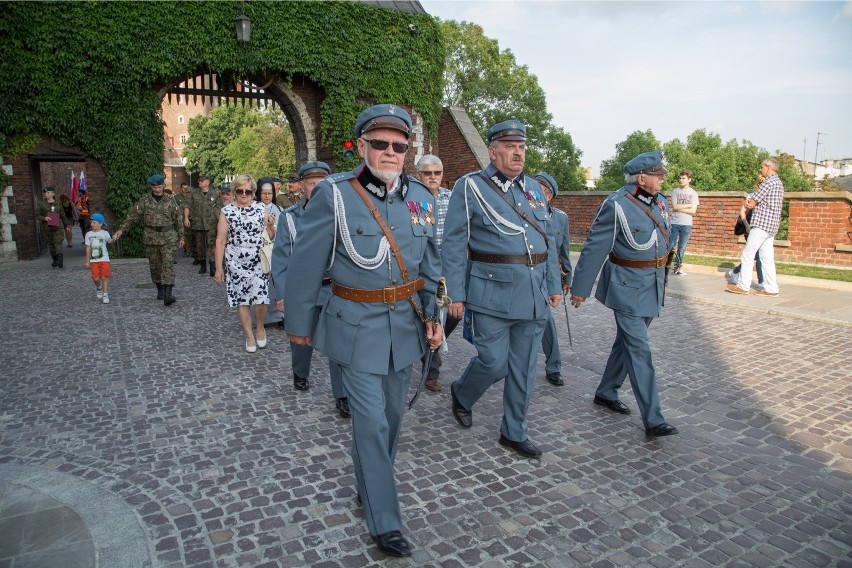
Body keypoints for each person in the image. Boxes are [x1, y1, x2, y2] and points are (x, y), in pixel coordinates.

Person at [283, 104, 442, 558]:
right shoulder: (334, 195)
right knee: (369, 422)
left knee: (391, 420)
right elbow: (305, 267)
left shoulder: (422, 200)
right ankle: (384, 519)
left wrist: (434, 315)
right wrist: (298, 326)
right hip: (354, 326)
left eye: (399, 145)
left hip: (406, 327)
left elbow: (430, 266)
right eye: (380, 144)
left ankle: (370, 486)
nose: (390, 152)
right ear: (361, 146)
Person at [442, 119, 562, 459]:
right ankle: (463, 394)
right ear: (493, 153)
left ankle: (514, 430)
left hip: (534, 293)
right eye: (510, 147)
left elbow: (547, 239)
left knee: (523, 367)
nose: (518, 153)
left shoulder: (535, 190)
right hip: (491, 292)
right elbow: (453, 244)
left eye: (522, 147)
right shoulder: (471, 187)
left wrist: (553, 282)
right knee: (495, 363)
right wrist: (456, 292)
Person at [569, 151, 679, 438]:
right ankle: (653, 418)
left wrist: (664, 279)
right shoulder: (617, 205)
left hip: (651, 285)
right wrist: (580, 289)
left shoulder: (661, 203)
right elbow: (595, 247)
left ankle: (606, 391)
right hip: (627, 288)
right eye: (658, 174)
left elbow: (665, 246)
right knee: (640, 350)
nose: (662, 177)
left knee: (626, 344)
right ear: (641, 178)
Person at [271, 160, 351, 418]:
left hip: (335, 290)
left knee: (339, 345)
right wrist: (283, 294)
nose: (316, 188)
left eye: (321, 183)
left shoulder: (343, 213)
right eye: (310, 183)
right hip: (304, 291)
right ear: (302, 186)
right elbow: (281, 259)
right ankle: (300, 372)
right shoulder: (290, 218)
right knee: (301, 340)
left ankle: (342, 395)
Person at [214, 174, 274, 353]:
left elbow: (271, 236)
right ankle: (249, 335)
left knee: (261, 299)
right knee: (242, 300)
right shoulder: (227, 212)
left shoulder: (260, 208)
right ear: (234, 191)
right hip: (235, 262)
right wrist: (219, 268)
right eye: (240, 190)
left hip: (258, 260)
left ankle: (261, 327)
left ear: (253, 192)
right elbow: (220, 241)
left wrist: (271, 226)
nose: (244, 194)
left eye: (248, 191)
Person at [415, 154, 455, 393]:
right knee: (429, 316)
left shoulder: (452, 199)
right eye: (427, 173)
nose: (432, 177)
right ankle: (430, 372)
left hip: (448, 268)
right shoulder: (411, 199)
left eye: (437, 173)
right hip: (421, 269)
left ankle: (436, 344)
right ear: (419, 174)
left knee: (454, 314)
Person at [112, 174, 184, 306]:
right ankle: (160, 289)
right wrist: (121, 230)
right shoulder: (144, 200)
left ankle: (168, 294)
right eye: (154, 187)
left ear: (164, 185)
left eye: (159, 186)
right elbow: (132, 217)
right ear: (151, 187)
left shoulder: (171, 200)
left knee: (168, 264)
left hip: (168, 237)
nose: (157, 189)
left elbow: (178, 220)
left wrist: (181, 237)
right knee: (155, 266)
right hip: (151, 238)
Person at [534, 171, 572, 386]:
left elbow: (563, 251)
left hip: (548, 278)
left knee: (547, 321)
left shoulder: (560, 218)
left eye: (539, 189)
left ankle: (553, 366)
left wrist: (566, 278)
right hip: (527, 274)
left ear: (548, 196)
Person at [725, 158, 784, 297]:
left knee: (748, 254)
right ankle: (771, 288)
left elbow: (752, 202)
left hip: (761, 224)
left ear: (769, 168)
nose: (761, 169)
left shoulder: (768, 182)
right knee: (767, 257)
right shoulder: (779, 183)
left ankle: (743, 286)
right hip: (772, 225)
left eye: (762, 167)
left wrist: (748, 203)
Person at [184, 174, 222, 275]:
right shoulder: (194, 193)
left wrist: (219, 221)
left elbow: (219, 208)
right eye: (199, 181)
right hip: (198, 224)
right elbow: (187, 205)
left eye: (202, 181)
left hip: (211, 224)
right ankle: (203, 266)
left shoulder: (215, 194)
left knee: (211, 246)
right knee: (200, 246)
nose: (199, 182)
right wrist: (186, 218)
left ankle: (212, 267)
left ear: (208, 182)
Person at [727, 197, 764, 285]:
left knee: (755, 255)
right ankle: (762, 281)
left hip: (760, 229)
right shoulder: (752, 196)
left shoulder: (765, 196)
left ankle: (735, 271)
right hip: (751, 229)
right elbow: (743, 212)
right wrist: (747, 226)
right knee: (758, 254)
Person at [669, 170, 699, 276]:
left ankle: (678, 267)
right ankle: (666, 265)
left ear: (689, 179)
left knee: (682, 247)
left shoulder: (693, 193)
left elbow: (693, 211)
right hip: (674, 222)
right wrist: (688, 206)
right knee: (671, 245)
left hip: (686, 223)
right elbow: (674, 206)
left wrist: (679, 208)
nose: (681, 180)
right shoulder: (675, 191)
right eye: (680, 178)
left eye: (683, 178)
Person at [37, 186, 70, 268]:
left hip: (58, 227)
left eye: (48, 193)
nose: (46, 194)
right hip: (47, 227)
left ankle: (60, 259)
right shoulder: (41, 204)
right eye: (45, 193)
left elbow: (63, 215)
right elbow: (37, 214)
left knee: (57, 243)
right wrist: (44, 218)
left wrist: (67, 226)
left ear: (53, 193)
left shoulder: (58, 204)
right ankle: (55, 259)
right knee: (51, 245)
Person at [84, 213, 113, 304]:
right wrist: (87, 260)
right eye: (91, 222)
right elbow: (88, 248)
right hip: (94, 260)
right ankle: (99, 287)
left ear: (100, 224)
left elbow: (109, 240)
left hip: (104, 259)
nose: (92, 224)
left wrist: (114, 238)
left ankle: (105, 294)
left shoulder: (105, 233)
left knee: (104, 277)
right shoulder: (88, 234)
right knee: (96, 278)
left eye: (94, 222)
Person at [173, 182, 192, 257]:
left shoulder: (191, 196)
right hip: (182, 217)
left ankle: (193, 250)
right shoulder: (177, 197)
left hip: (192, 217)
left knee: (192, 235)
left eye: (187, 188)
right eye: (184, 188)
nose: (186, 190)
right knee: (184, 234)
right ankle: (187, 250)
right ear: (181, 188)